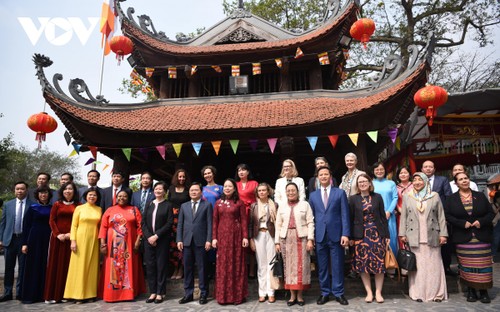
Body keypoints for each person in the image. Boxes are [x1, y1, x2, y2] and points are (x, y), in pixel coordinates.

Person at [444, 172, 494, 303]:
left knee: (483, 265)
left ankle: (484, 291)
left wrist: (481, 222)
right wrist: (462, 223)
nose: (464, 181)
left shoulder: (480, 196)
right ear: (456, 183)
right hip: (463, 236)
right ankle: (471, 290)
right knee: (466, 265)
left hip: (481, 236)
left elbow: (491, 213)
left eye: (466, 178)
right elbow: (447, 215)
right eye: (460, 179)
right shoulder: (451, 199)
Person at [399, 172, 448, 302]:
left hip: (432, 235)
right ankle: (417, 293)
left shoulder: (434, 196)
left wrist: (443, 234)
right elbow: (404, 216)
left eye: (420, 180)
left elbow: (441, 216)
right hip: (414, 235)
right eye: (414, 180)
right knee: (418, 267)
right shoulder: (408, 196)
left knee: (434, 266)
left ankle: (437, 293)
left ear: (426, 181)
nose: (417, 182)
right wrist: (402, 233)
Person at [309, 166, 350, 306]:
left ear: (330, 176)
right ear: (317, 178)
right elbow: (311, 218)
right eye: (321, 175)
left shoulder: (339, 193)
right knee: (322, 266)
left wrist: (345, 234)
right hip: (320, 235)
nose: (324, 177)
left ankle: (339, 293)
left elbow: (345, 215)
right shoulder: (313, 195)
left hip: (336, 234)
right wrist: (311, 236)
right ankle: (324, 292)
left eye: (326, 174)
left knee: (338, 265)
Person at [349, 174, 390, 303]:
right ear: (357, 185)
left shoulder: (377, 197)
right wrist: (350, 237)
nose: (362, 184)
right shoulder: (353, 199)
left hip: (377, 234)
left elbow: (383, 218)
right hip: (360, 235)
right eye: (360, 182)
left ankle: (378, 292)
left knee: (379, 263)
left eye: (365, 181)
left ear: (369, 183)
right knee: (363, 264)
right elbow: (350, 219)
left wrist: (386, 235)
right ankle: (369, 292)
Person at [99, 189, 145, 302]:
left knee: (129, 267)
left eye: (124, 196)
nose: (122, 198)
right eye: (119, 196)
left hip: (130, 244)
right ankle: (112, 294)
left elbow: (140, 227)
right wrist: (102, 244)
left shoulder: (134, 209)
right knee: (113, 268)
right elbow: (103, 227)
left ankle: (128, 294)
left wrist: (138, 241)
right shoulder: (110, 210)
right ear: (116, 197)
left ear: (128, 198)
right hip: (112, 246)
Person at [276, 182, 314, 306]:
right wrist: (277, 242)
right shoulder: (281, 206)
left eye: (293, 190)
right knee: (289, 267)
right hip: (286, 239)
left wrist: (310, 239)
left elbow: (310, 222)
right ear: (285, 192)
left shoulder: (305, 204)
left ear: (298, 192)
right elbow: (278, 225)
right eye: (288, 191)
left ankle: (300, 295)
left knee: (301, 267)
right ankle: (292, 296)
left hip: (301, 238)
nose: (291, 192)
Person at [212, 178, 248, 305]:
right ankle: (223, 297)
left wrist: (245, 237)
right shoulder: (218, 203)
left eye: (230, 186)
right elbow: (215, 222)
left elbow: (244, 220)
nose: (227, 188)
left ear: (234, 188)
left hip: (236, 237)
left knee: (236, 264)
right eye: (225, 186)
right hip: (222, 237)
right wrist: (214, 238)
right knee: (223, 265)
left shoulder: (239, 203)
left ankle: (237, 296)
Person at [64, 188, 102, 303]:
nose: (92, 197)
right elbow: (74, 226)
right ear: (86, 196)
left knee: (92, 266)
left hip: (94, 241)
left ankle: (90, 294)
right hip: (80, 240)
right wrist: (73, 241)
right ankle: (77, 294)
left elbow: (100, 226)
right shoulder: (79, 208)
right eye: (90, 195)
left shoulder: (99, 209)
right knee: (79, 267)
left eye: (94, 195)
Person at [177, 182, 213, 305]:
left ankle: (203, 294)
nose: (193, 192)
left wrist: (209, 239)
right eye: (191, 190)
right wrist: (179, 239)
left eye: (196, 190)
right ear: (189, 192)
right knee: (187, 268)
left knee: (202, 268)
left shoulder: (207, 205)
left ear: (201, 192)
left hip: (201, 241)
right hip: (186, 241)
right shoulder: (184, 206)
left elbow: (209, 224)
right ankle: (188, 294)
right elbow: (180, 224)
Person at [44, 182, 79, 303]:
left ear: (74, 191)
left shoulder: (79, 205)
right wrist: (58, 234)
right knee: (55, 264)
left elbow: (79, 222)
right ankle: (52, 295)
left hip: (72, 239)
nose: (68, 191)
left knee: (68, 266)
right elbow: (51, 221)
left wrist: (71, 234)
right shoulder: (57, 204)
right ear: (62, 191)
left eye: (70, 189)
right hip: (57, 238)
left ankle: (66, 294)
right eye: (65, 189)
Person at [0, 181, 32, 302]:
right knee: (9, 268)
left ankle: (20, 293)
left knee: (22, 268)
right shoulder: (8, 205)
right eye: (17, 189)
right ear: (14, 190)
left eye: (22, 189)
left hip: (24, 241)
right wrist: (1, 239)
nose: (19, 191)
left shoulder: (32, 205)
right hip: (10, 240)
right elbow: (3, 223)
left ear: (26, 190)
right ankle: (7, 293)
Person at [142, 181, 174, 304]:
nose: (158, 191)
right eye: (156, 189)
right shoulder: (149, 204)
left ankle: (160, 292)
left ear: (165, 191)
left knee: (161, 266)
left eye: (160, 189)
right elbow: (143, 222)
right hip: (148, 240)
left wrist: (156, 236)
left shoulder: (168, 205)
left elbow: (169, 223)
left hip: (162, 240)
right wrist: (149, 236)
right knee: (150, 266)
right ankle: (153, 292)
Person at [20, 185, 53, 303]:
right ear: (37, 195)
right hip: (34, 239)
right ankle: (31, 295)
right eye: (41, 193)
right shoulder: (32, 208)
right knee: (33, 265)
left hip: (48, 239)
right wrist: (24, 243)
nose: (43, 195)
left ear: (49, 195)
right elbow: (26, 226)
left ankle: (44, 294)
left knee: (46, 265)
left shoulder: (52, 208)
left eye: (45, 193)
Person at [421, 160, 454, 276]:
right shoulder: (419, 181)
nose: (428, 169)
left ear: (434, 169)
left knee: (443, 242)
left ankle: (446, 267)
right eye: (426, 167)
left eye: (430, 167)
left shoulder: (442, 180)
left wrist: (443, 215)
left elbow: (448, 197)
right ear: (422, 169)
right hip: (423, 217)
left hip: (440, 216)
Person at [249, 183, 278, 303]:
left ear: (268, 192)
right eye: (259, 191)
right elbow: (250, 224)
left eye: (263, 190)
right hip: (258, 235)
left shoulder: (274, 204)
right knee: (261, 264)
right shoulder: (254, 206)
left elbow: (278, 222)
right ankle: (262, 292)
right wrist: (251, 239)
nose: (261, 192)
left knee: (271, 263)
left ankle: (271, 292)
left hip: (271, 235)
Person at [235, 163, 258, 278]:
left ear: (248, 172)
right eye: (239, 170)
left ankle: (252, 270)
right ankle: (242, 269)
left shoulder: (254, 183)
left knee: (251, 240)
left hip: (252, 212)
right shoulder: (235, 185)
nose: (241, 172)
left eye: (243, 170)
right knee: (241, 241)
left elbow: (259, 198)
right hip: (239, 214)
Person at [167, 169, 191, 280]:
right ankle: (174, 268)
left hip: (185, 218)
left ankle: (181, 268)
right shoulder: (171, 189)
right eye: (180, 176)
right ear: (176, 177)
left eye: (183, 177)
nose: (181, 179)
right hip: (173, 219)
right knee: (173, 245)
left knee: (182, 244)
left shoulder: (188, 189)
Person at [372, 162, 399, 256]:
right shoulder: (370, 183)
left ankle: (392, 265)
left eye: (381, 169)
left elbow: (395, 197)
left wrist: (389, 211)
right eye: (377, 170)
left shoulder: (391, 183)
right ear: (373, 171)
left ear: (385, 170)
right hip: (375, 216)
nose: (379, 171)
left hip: (389, 215)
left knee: (391, 238)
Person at [396, 166, 413, 249]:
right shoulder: (396, 187)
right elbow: (395, 200)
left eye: (405, 172)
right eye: (401, 173)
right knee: (403, 235)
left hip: (414, 213)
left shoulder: (414, 185)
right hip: (401, 214)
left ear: (409, 174)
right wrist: (399, 209)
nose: (403, 175)